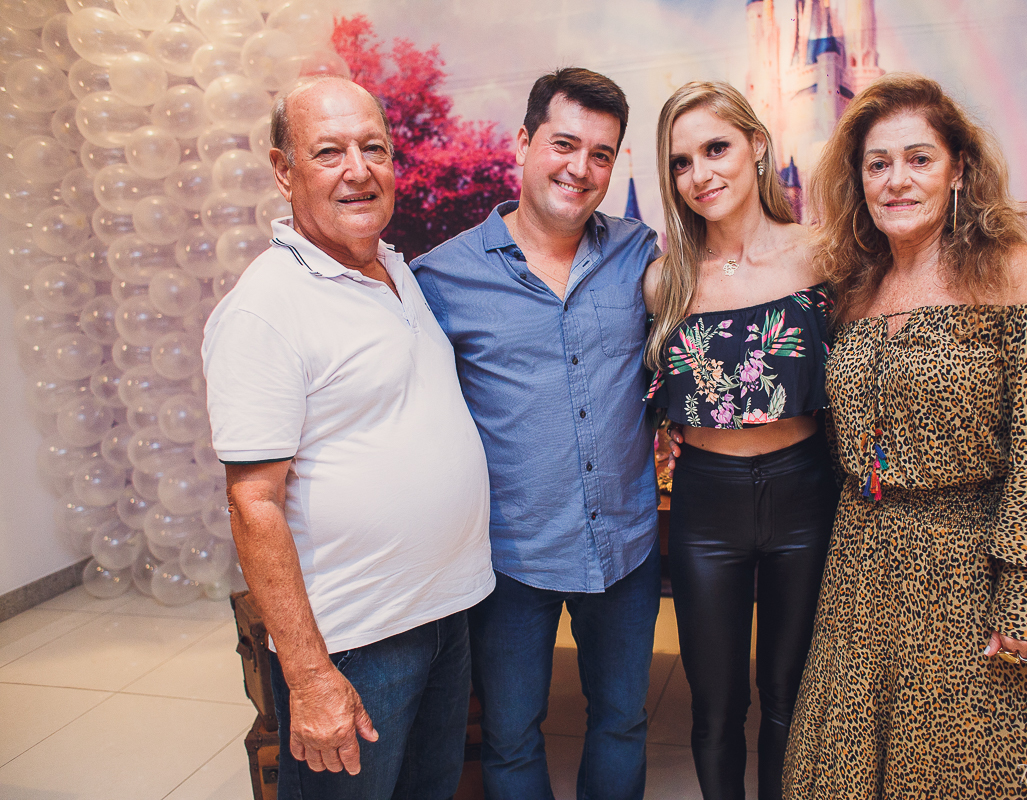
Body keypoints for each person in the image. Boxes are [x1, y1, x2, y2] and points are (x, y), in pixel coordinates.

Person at [781, 73, 1027, 799]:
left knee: (977, 769)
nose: (896, 181)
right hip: (861, 570)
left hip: (971, 567)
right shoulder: (855, 286)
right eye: (878, 164)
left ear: (959, 169)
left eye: (919, 159)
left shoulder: (1013, 273)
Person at [202, 76, 494, 800]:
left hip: (440, 614)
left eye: (374, 148)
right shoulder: (265, 309)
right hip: (354, 644)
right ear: (283, 170)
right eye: (328, 151)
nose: (358, 170)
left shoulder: (394, 268)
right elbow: (254, 504)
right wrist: (308, 676)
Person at [410, 68, 661, 800]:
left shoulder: (640, 254)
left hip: (626, 544)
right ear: (522, 142)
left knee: (622, 721)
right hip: (509, 558)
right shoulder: (441, 277)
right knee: (513, 737)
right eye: (564, 144)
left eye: (602, 154)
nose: (580, 169)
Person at [643, 81, 837, 800]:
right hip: (707, 505)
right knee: (716, 706)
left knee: (790, 697)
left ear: (757, 146)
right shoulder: (665, 282)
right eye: (682, 162)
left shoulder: (821, 254)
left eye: (716, 148)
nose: (702, 174)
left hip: (805, 493)